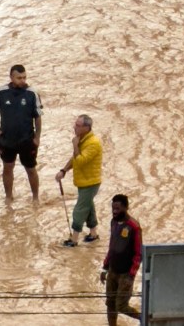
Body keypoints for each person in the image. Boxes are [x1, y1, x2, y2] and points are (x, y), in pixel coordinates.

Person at [0, 64, 43, 202]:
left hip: (27, 140)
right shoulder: (1, 92)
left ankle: (35, 197)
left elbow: (38, 116)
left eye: (24, 77)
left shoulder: (32, 94)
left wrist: (37, 137)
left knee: (31, 169)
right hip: (7, 140)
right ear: (11, 77)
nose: (22, 81)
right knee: (7, 168)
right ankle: (8, 197)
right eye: (19, 78)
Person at [55, 115, 104, 247]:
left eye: (77, 125)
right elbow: (74, 159)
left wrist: (75, 145)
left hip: (91, 183)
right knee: (89, 207)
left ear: (86, 128)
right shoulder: (83, 140)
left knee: (79, 209)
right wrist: (63, 170)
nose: (74, 127)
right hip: (84, 182)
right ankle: (93, 234)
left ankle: (74, 239)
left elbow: (80, 161)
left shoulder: (93, 143)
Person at [101, 194, 143, 325]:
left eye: (117, 208)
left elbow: (139, 253)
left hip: (126, 273)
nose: (114, 211)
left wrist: (131, 275)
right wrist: (104, 268)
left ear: (126, 208)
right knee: (110, 303)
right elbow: (111, 247)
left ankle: (145, 319)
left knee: (121, 306)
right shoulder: (113, 222)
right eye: (113, 208)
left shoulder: (134, 227)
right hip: (112, 271)